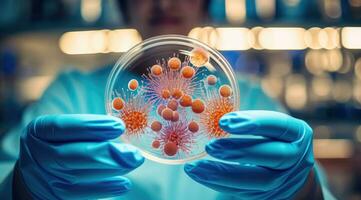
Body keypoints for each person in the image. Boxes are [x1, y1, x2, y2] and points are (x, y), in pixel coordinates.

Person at [0, 0, 335, 199]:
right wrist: (24, 185)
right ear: (124, 6)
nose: (164, 2)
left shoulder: (249, 98)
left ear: (205, 6)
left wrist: (303, 189)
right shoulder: (71, 93)